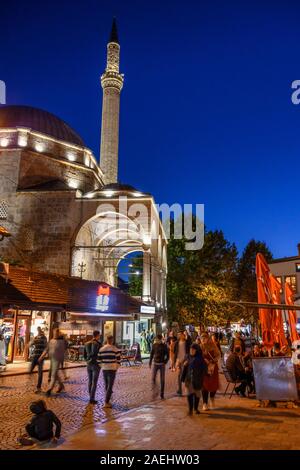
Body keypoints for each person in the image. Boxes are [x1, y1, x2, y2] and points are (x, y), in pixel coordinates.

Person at [181, 343, 206, 416]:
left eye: (193, 349)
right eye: (190, 349)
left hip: (197, 380)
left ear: (196, 350)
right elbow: (183, 365)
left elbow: (204, 369)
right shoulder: (187, 356)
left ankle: (195, 408)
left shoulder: (200, 358)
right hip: (189, 379)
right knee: (189, 394)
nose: (191, 350)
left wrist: (201, 376)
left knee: (197, 395)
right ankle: (190, 409)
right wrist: (184, 365)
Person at [39, 329, 65, 396]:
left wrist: (62, 361)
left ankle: (49, 390)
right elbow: (47, 349)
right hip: (52, 359)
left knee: (53, 375)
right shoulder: (51, 341)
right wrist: (41, 356)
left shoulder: (62, 341)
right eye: (54, 333)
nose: (55, 334)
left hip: (57, 360)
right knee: (55, 374)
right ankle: (61, 386)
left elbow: (63, 352)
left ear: (58, 333)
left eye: (56, 333)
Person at [98, 335, 121, 408]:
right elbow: (119, 360)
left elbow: (98, 360)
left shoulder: (101, 349)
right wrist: (116, 367)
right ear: (112, 340)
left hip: (105, 369)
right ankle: (106, 402)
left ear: (106, 340)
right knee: (110, 386)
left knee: (106, 384)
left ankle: (107, 398)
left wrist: (103, 366)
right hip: (112, 369)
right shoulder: (115, 349)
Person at [200, 332, 220, 410]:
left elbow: (218, 355)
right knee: (204, 386)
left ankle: (212, 398)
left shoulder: (213, 346)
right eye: (202, 338)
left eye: (205, 338)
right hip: (203, 369)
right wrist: (203, 359)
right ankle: (205, 403)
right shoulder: (200, 347)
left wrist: (212, 360)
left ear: (208, 339)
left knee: (213, 385)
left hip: (213, 368)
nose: (203, 340)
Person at [84, 330, 102, 404]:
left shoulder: (86, 343)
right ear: (97, 335)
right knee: (94, 382)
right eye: (99, 335)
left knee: (90, 381)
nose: (99, 336)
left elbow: (84, 355)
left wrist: (87, 361)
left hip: (89, 364)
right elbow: (100, 355)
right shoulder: (98, 344)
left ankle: (90, 396)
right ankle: (92, 398)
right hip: (96, 364)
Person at [149, 333, 169, 400]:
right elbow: (152, 353)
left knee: (162, 380)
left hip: (162, 364)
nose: (156, 340)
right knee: (153, 379)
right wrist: (150, 362)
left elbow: (168, 355)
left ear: (160, 339)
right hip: (155, 364)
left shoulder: (164, 346)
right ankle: (155, 391)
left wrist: (165, 362)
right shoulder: (154, 345)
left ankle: (162, 394)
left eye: (157, 339)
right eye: (156, 339)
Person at [29, 327, 48, 393]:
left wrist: (42, 356)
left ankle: (38, 387)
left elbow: (46, 348)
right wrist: (29, 344)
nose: (38, 331)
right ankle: (34, 384)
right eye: (37, 330)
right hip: (35, 356)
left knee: (40, 372)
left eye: (39, 330)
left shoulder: (44, 338)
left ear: (41, 330)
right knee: (30, 370)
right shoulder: (36, 337)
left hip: (40, 357)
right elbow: (31, 344)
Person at [174, 331, 191, 396]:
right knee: (179, 376)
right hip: (178, 361)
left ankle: (188, 389)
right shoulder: (176, 343)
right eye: (178, 335)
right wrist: (174, 361)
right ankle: (180, 390)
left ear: (183, 335)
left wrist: (188, 359)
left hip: (185, 361)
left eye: (180, 335)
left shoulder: (187, 342)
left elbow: (190, 351)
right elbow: (175, 352)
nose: (179, 336)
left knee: (186, 375)